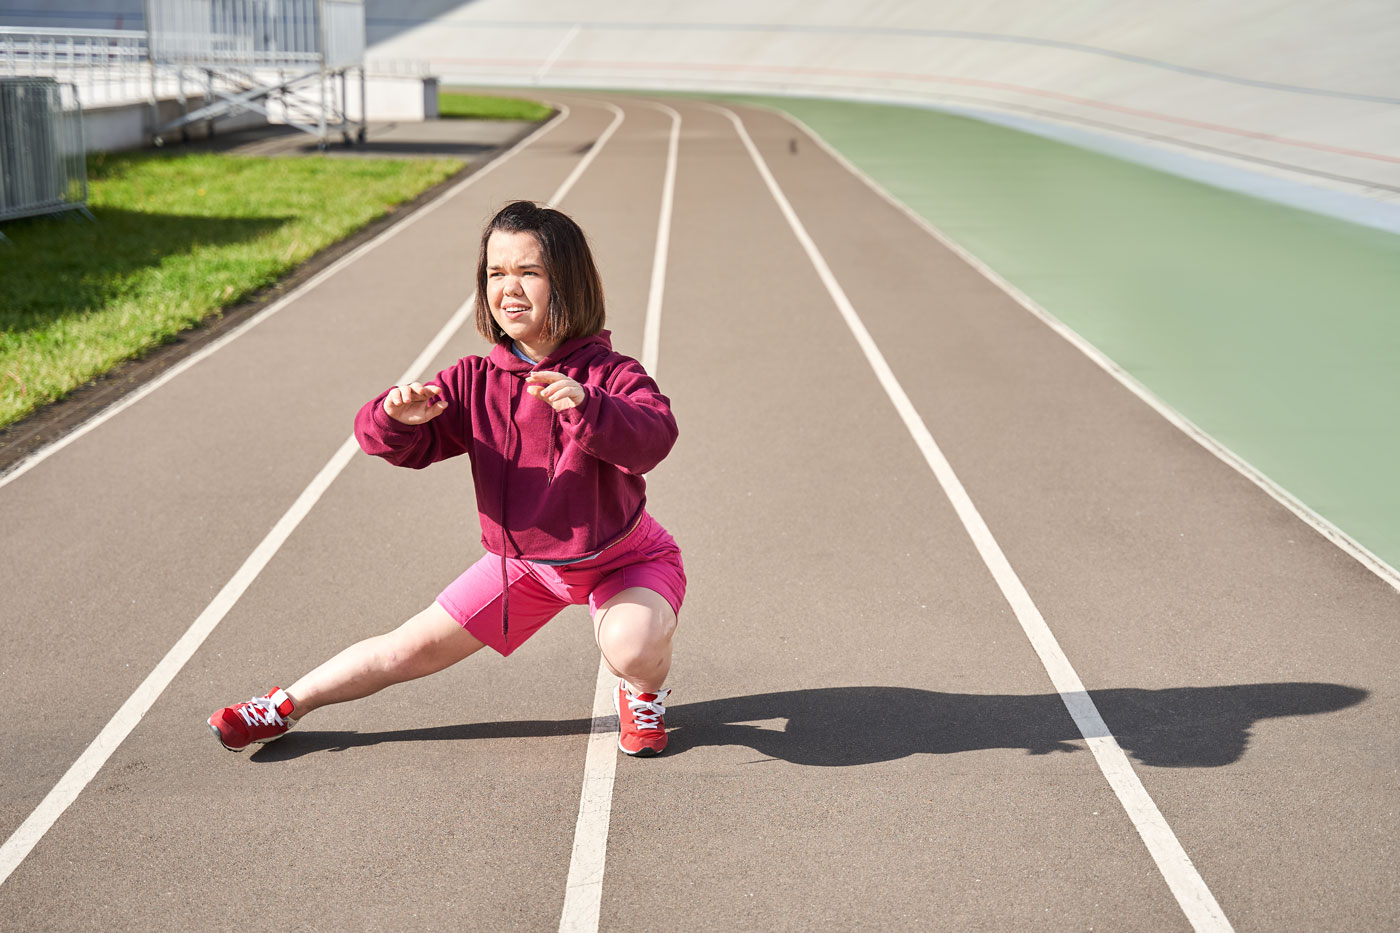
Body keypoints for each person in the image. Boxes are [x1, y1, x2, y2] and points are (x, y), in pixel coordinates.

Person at [207, 200, 685, 757]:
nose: (509, 288)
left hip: (625, 557)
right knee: (402, 652)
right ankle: (284, 706)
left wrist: (588, 404)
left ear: (569, 282)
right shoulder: (474, 380)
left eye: (529, 272)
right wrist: (392, 416)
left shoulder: (610, 373)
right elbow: (379, 437)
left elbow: (655, 436)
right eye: (495, 273)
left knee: (631, 644)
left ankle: (642, 691)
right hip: (526, 567)